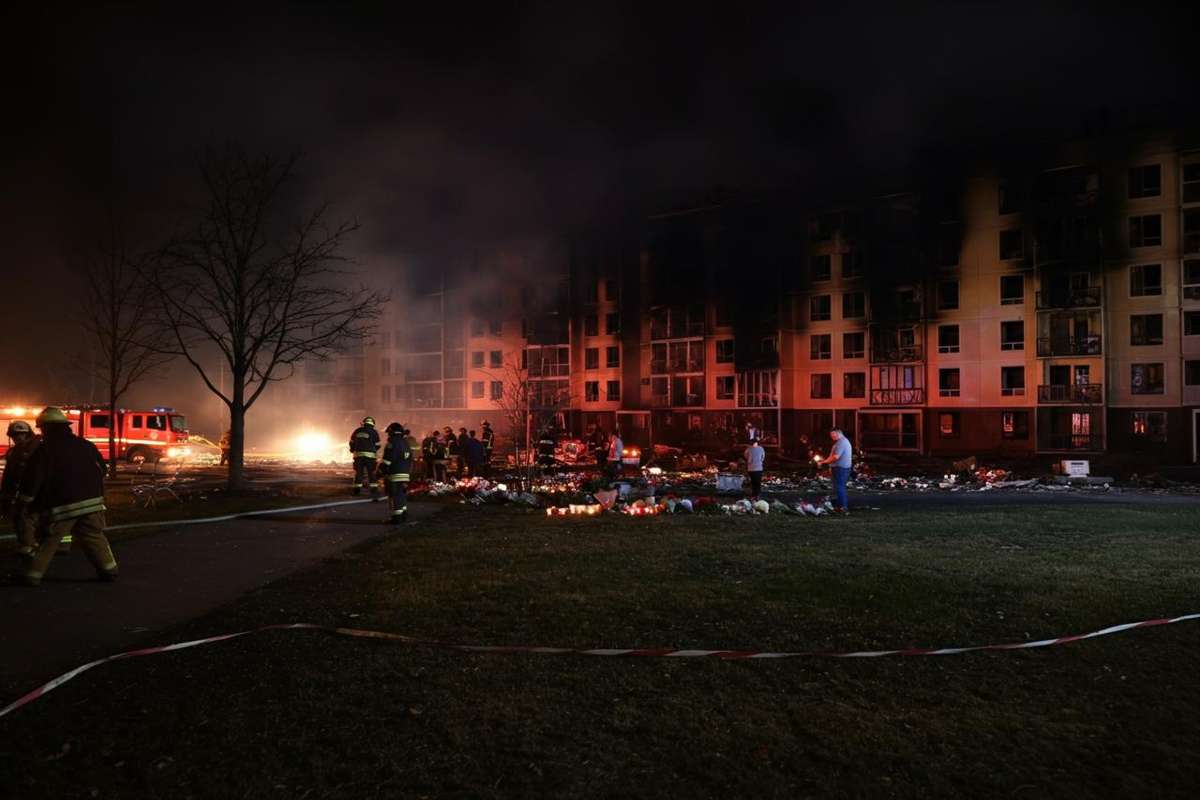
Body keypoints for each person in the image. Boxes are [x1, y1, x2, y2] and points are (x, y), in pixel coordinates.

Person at [17, 407, 118, 586]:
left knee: (50, 540)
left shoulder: (44, 450)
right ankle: (109, 570)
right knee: (94, 536)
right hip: (93, 502)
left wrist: (25, 501)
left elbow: (33, 480)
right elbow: (102, 470)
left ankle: (32, 575)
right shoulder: (86, 445)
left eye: (42, 428)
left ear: (46, 428)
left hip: (63, 506)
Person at [2, 420, 42, 559]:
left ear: (28, 434)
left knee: (24, 516)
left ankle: (29, 546)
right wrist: (6, 495)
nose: (17, 438)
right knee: (21, 516)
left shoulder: (37, 448)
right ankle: (30, 544)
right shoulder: (13, 452)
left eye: (21, 434)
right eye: (14, 435)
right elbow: (9, 475)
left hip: (35, 489)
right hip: (23, 489)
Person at [379, 422, 413, 524]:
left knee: (394, 495)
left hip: (394, 473)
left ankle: (396, 518)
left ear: (391, 432)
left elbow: (388, 460)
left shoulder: (392, 443)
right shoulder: (405, 442)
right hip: (405, 474)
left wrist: (381, 469)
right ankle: (403, 514)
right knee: (401, 494)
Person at [817, 428, 853, 514]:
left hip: (840, 468)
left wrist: (824, 462)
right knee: (839, 487)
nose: (832, 437)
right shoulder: (840, 442)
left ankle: (843, 507)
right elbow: (832, 456)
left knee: (840, 487)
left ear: (839, 433)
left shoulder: (841, 442)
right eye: (831, 435)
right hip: (840, 468)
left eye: (833, 435)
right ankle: (839, 506)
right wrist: (825, 461)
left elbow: (836, 457)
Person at [348, 416, 380, 496]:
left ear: (364, 423)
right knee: (371, 473)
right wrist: (373, 450)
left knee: (358, 473)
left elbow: (351, 442)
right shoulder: (374, 432)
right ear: (372, 424)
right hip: (370, 457)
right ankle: (374, 491)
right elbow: (378, 445)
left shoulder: (357, 431)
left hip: (358, 456)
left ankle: (356, 491)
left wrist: (352, 449)